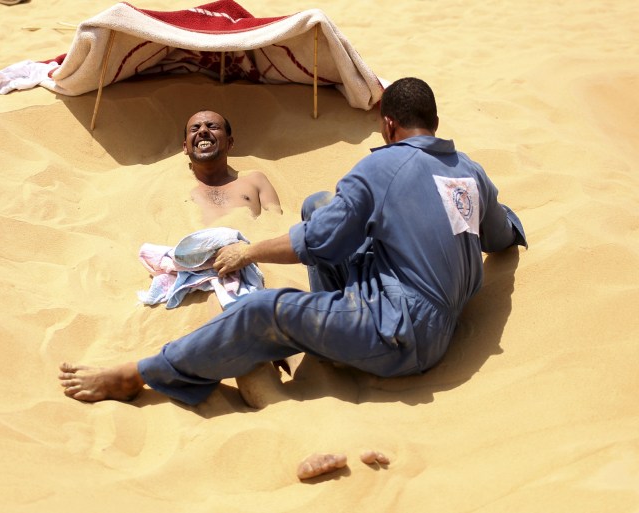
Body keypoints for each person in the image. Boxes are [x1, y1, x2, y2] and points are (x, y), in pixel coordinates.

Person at [58, 77, 527, 406]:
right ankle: (329, 330)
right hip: (421, 312)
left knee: (264, 309)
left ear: (386, 125)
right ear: (435, 121)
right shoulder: (470, 172)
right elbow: (501, 235)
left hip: (401, 333)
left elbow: (320, 243)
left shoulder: (381, 166)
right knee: (320, 203)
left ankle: (139, 374)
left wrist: (248, 251)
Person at [183, 110, 282, 223]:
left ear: (229, 143)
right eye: (195, 129)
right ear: (185, 147)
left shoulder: (255, 181)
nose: (203, 130)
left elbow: (277, 224)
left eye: (213, 127)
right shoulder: (168, 185)